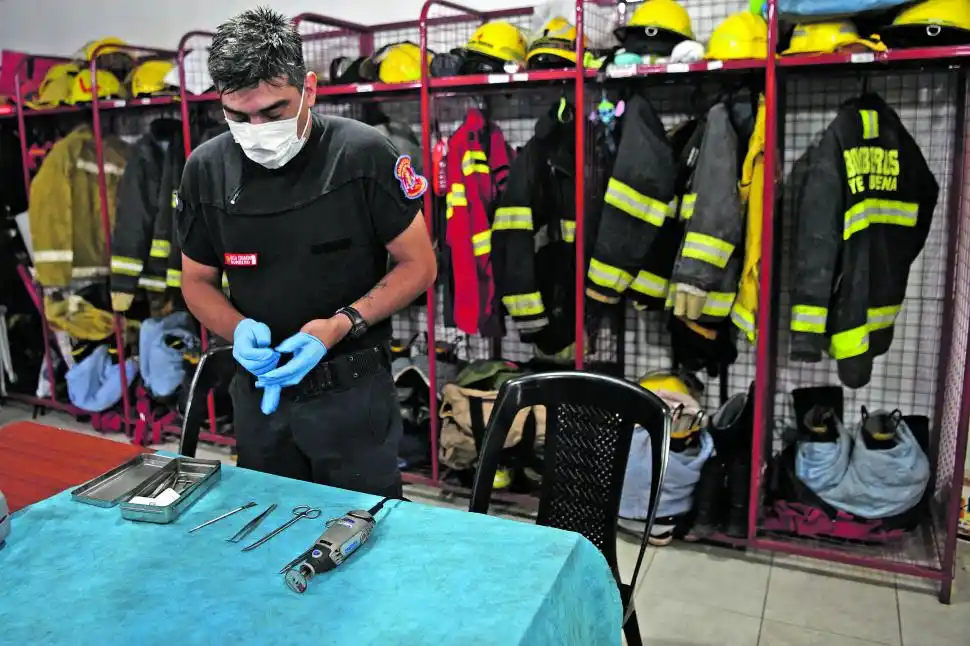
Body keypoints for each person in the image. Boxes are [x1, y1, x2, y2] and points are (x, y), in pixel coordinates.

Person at [176, 7, 437, 497]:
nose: (256, 128)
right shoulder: (204, 170)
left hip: (352, 397)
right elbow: (196, 281)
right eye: (238, 115)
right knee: (266, 530)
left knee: (364, 537)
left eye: (273, 112)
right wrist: (238, 329)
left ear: (309, 90)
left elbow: (419, 265)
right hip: (261, 395)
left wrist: (341, 325)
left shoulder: (362, 154)